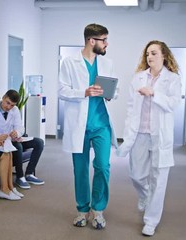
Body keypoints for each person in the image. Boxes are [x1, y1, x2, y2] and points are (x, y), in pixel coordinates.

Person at [117, 40, 182, 236]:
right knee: (136, 174)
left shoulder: (172, 79)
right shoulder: (138, 78)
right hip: (140, 133)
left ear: (164, 55)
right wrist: (128, 131)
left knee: (159, 179)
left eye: (153, 53)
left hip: (160, 136)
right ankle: (144, 196)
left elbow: (173, 104)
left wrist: (154, 93)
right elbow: (131, 108)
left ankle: (151, 221)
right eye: (147, 54)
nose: (149, 57)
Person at [58, 23, 118, 230]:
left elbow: (114, 92)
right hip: (79, 126)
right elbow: (62, 90)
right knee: (81, 169)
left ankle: (98, 210)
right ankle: (82, 210)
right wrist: (83, 92)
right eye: (104, 40)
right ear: (92, 41)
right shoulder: (69, 62)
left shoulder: (107, 63)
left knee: (102, 167)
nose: (106, 44)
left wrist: (109, 93)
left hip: (101, 124)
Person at [0, 89, 45, 190]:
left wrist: (17, 133)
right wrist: (2, 137)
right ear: (3, 97)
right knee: (18, 146)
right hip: (2, 142)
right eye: (8, 103)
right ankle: (20, 177)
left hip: (14, 139)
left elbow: (20, 127)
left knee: (39, 142)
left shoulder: (15, 110)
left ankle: (29, 173)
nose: (9, 107)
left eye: (12, 105)